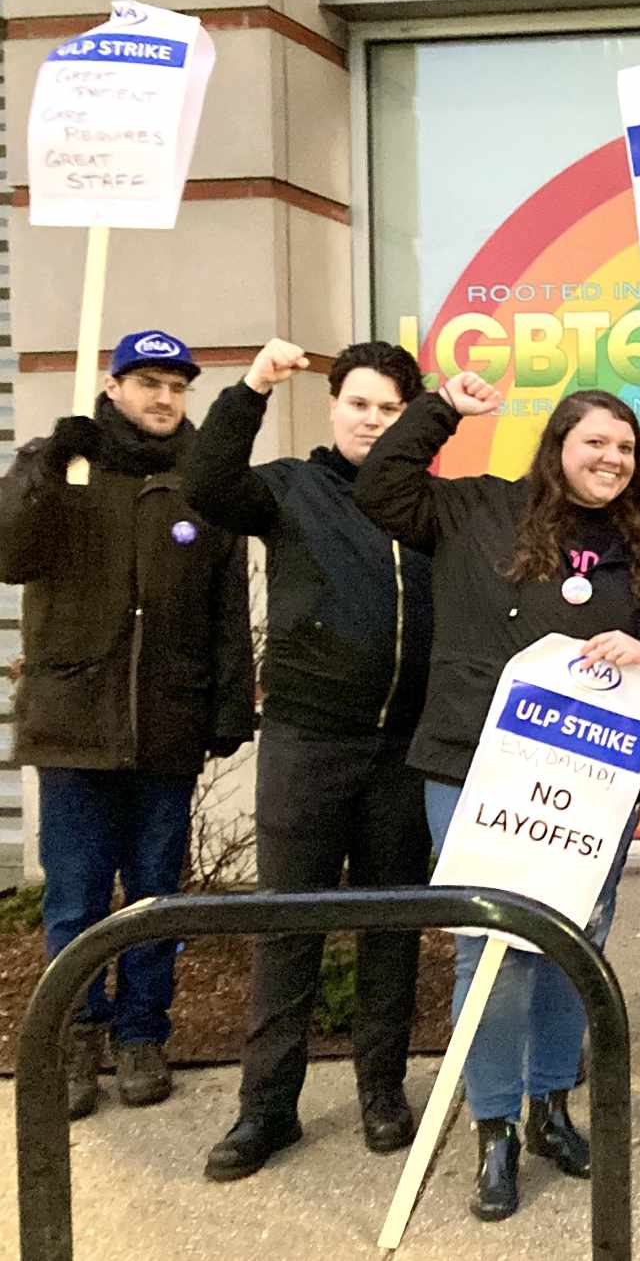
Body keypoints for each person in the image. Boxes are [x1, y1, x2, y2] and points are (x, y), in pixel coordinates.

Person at [357, 378, 640, 1221]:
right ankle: (494, 1127)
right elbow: (379, 486)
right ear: (557, 446)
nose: (614, 460)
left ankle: (552, 1104)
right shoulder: (478, 510)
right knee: (491, 946)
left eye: (626, 448)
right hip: (475, 766)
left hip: (597, 779)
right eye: (597, 443)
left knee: (571, 943)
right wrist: (441, 407)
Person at [184, 338, 435, 1180]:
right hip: (307, 741)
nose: (373, 420)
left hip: (402, 749)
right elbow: (209, 483)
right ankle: (266, 1109)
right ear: (335, 406)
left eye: (392, 410)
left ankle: (381, 1088)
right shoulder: (292, 487)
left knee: (391, 928)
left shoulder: (426, 507)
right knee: (288, 925)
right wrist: (250, 387)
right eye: (361, 403)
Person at [0, 329, 254, 1120]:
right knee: (74, 898)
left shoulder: (199, 485)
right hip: (75, 722)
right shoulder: (69, 471)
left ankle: (143, 1033)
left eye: (176, 386)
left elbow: (226, 608)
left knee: (154, 893)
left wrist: (227, 706)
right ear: (112, 388)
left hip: (164, 725)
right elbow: (9, 552)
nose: (162, 398)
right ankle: (77, 1034)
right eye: (146, 383)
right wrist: (41, 466)